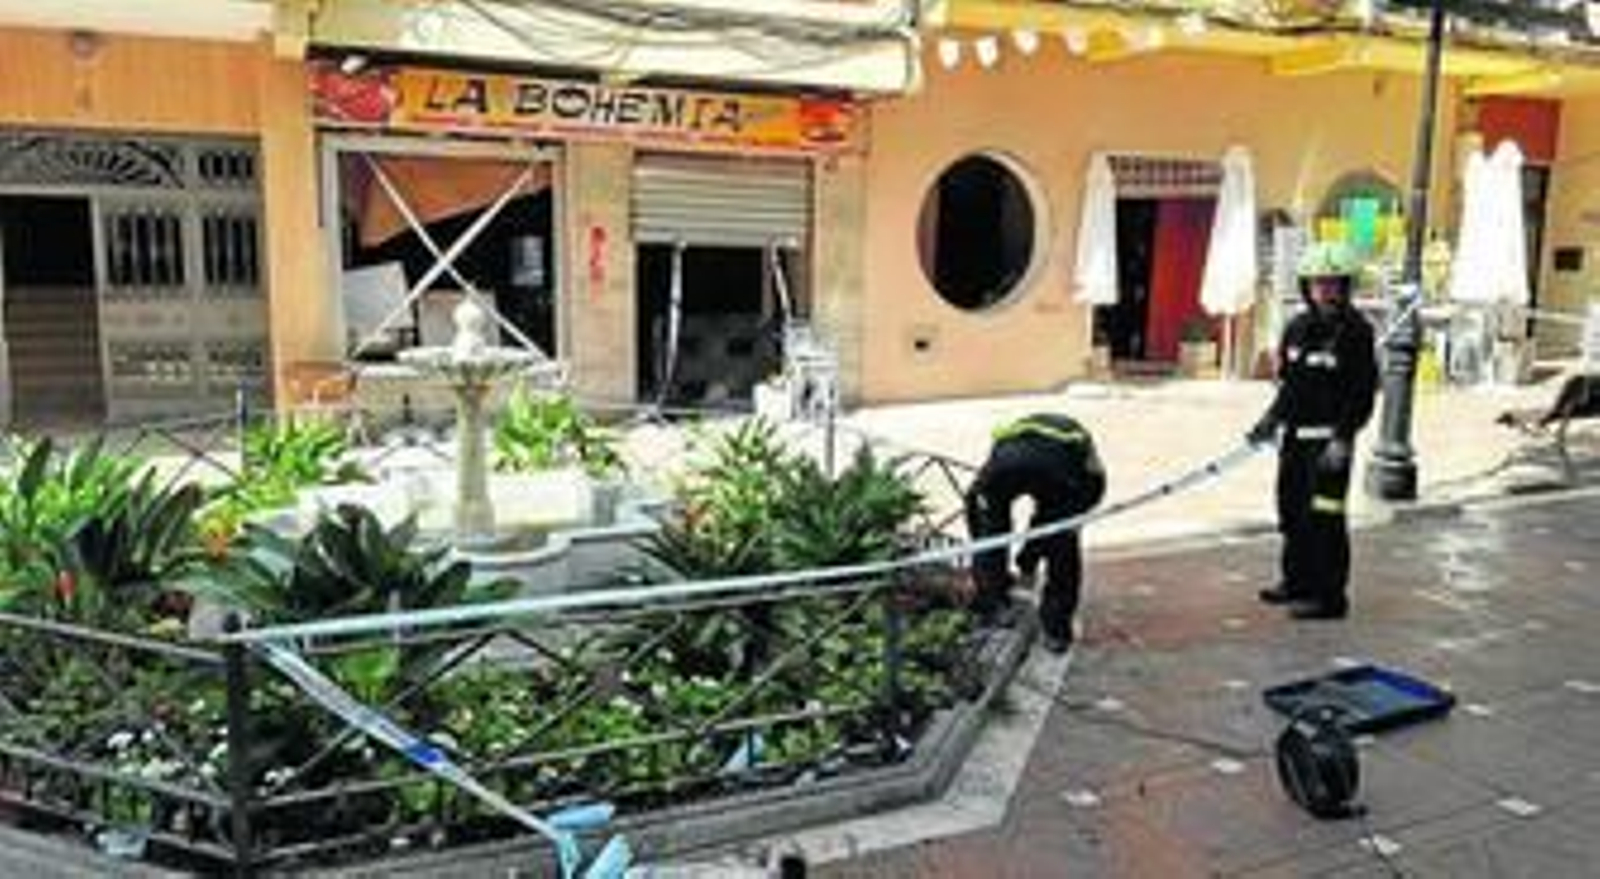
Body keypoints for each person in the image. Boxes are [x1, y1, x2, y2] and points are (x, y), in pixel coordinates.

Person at [1247, 241, 1380, 620]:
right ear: (1307, 286)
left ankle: (1329, 597)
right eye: (1318, 283)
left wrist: (1343, 438)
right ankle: (1296, 582)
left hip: (1330, 446)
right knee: (1292, 513)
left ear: (1345, 286)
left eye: (1333, 283)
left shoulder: (1357, 333)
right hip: (1294, 442)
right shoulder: (1297, 328)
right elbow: (1290, 387)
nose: (1325, 290)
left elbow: (1362, 394)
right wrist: (1269, 421)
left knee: (1325, 519)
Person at [965, 413, 1107, 654]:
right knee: (1062, 549)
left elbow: (974, 507)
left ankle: (994, 604)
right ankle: (1056, 631)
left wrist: (984, 542)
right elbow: (1051, 522)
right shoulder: (1091, 474)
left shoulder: (1014, 433)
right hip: (1057, 470)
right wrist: (1042, 547)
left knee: (991, 536)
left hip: (1004, 465)